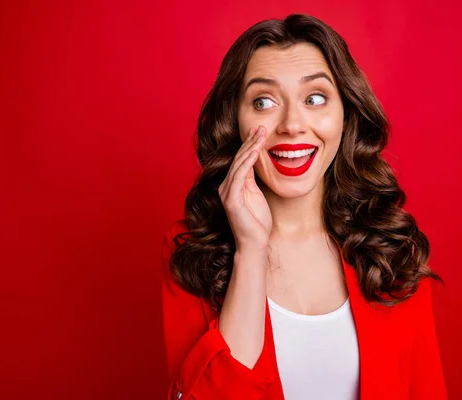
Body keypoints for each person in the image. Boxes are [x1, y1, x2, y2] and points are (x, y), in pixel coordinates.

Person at [160, 13, 447, 400]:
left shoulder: (390, 248)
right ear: (236, 122)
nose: (292, 124)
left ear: (345, 114)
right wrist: (250, 249)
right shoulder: (190, 251)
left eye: (315, 98)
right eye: (263, 101)